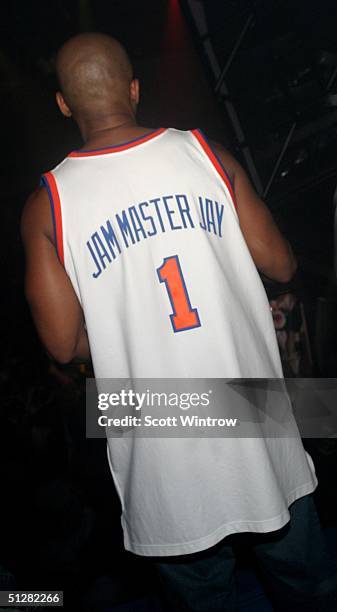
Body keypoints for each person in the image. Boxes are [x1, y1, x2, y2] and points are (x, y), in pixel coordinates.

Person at [21, 33, 337, 611]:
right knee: (309, 587)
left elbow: (63, 346)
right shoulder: (205, 153)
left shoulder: (48, 204)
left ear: (64, 105)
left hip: (156, 438)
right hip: (254, 417)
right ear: (136, 91)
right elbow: (283, 262)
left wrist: (128, 332)